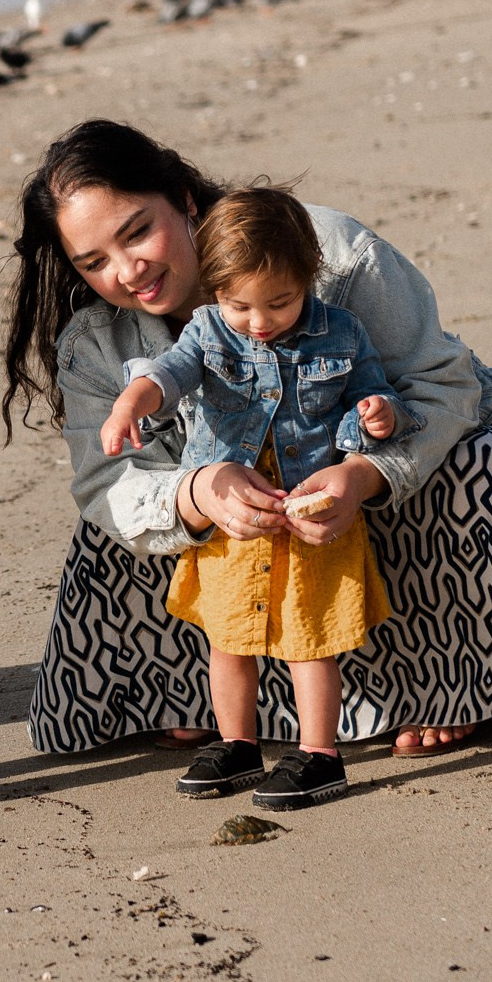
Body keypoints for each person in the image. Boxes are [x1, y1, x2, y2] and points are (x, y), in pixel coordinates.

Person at [2, 120, 492, 760]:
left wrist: (364, 475)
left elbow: (445, 388)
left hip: (416, 467)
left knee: (475, 467)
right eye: (94, 263)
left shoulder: (328, 251)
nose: (129, 271)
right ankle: (208, 697)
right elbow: (106, 484)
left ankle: (444, 680)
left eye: (137, 232)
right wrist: (200, 492)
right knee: (115, 529)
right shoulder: (95, 343)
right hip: (249, 532)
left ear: (184, 199)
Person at [98, 187, 408, 808]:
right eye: (239, 305)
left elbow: (372, 393)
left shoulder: (341, 333)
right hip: (233, 516)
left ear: (308, 278)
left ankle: (320, 753)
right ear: (214, 288)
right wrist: (133, 400)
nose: (260, 322)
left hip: (308, 510)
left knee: (310, 639)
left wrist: (379, 415)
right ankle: (237, 743)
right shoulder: (208, 330)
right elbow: (170, 373)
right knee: (228, 636)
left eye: (280, 302)